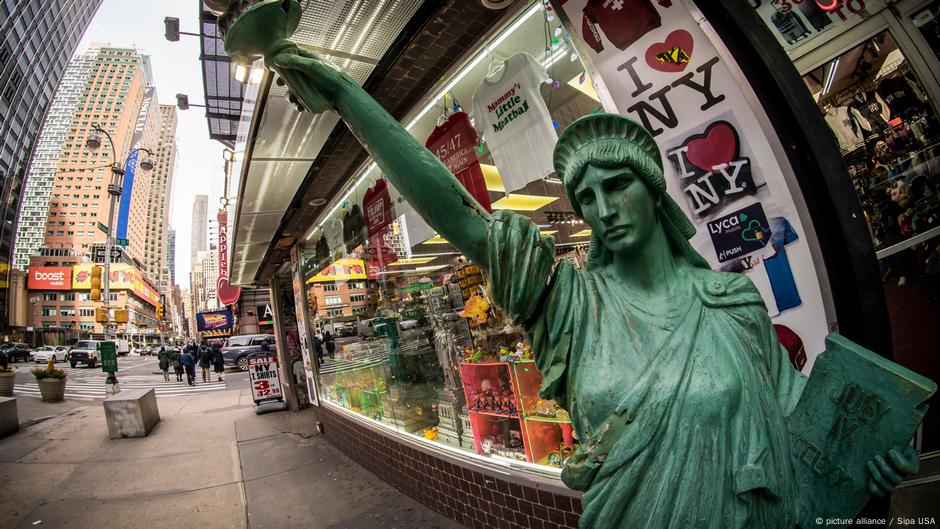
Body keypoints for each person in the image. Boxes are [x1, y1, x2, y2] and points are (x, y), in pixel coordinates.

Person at [264, 47, 918, 529]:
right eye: (586, 197)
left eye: (617, 185)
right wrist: (347, 96)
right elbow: (458, 216)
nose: (603, 208)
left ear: (653, 191)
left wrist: (868, 459)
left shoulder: (731, 303)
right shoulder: (572, 306)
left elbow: (799, 425)